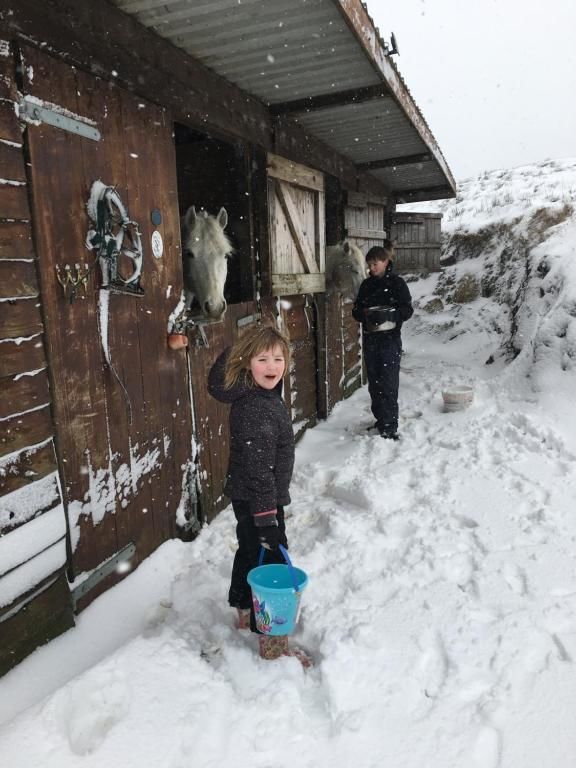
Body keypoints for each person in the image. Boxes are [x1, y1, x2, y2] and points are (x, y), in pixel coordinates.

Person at [208, 324, 311, 667]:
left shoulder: (259, 395)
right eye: (262, 358)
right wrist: (267, 519)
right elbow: (259, 470)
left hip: (250, 495)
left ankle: (241, 603)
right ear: (246, 363)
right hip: (258, 498)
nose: (272, 366)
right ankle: (270, 639)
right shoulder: (257, 407)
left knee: (251, 549)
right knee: (272, 565)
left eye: (279, 358)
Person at [352, 241, 414, 440]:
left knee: (388, 383)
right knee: (375, 385)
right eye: (369, 265)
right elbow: (356, 309)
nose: (371, 268)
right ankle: (380, 421)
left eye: (374, 264)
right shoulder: (366, 285)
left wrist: (391, 315)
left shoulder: (397, 284)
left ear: (386, 261)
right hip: (371, 341)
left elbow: (407, 310)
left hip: (389, 341)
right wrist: (364, 315)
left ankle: (390, 426)